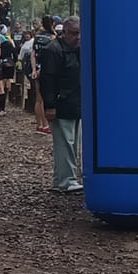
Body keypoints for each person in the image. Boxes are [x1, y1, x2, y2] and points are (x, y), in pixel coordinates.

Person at [39, 17, 84, 193]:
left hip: (73, 102)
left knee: (70, 143)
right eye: (74, 33)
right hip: (62, 102)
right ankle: (67, 179)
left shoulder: (72, 49)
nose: (77, 37)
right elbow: (47, 79)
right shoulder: (54, 50)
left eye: (79, 33)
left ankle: (62, 179)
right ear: (64, 32)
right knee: (66, 143)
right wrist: (50, 105)